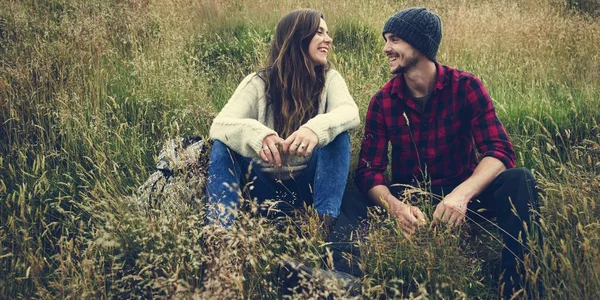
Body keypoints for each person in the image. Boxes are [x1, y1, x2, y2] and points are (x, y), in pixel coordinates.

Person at [353, 7, 542, 299]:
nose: (386, 48)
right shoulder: (383, 101)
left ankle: (519, 288)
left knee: (520, 180)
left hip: (467, 195)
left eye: (394, 40)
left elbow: (499, 150)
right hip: (416, 205)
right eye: (386, 40)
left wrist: (461, 195)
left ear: (420, 44)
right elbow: (368, 171)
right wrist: (397, 209)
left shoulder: (466, 87)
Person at [206, 8, 360, 241]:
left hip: (307, 187)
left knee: (338, 136)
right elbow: (220, 125)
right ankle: (220, 235)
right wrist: (257, 134)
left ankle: (323, 229)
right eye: (319, 32)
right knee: (223, 144)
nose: (328, 39)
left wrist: (315, 129)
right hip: (260, 186)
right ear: (298, 37)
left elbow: (349, 112)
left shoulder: (330, 79)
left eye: (327, 33)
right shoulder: (259, 82)